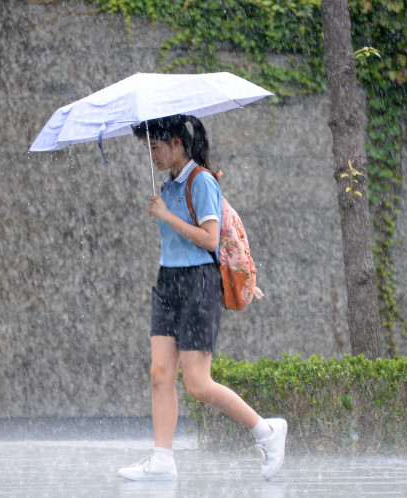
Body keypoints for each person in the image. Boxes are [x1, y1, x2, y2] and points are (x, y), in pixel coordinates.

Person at [117, 114, 287, 482]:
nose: (153, 156)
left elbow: (210, 238)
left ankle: (267, 432)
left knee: (197, 383)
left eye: (156, 148)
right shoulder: (167, 185)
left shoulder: (202, 181)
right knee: (160, 373)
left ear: (177, 143)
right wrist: (164, 207)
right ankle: (162, 458)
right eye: (148, 149)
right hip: (168, 282)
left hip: (199, 283)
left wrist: (165, 215)